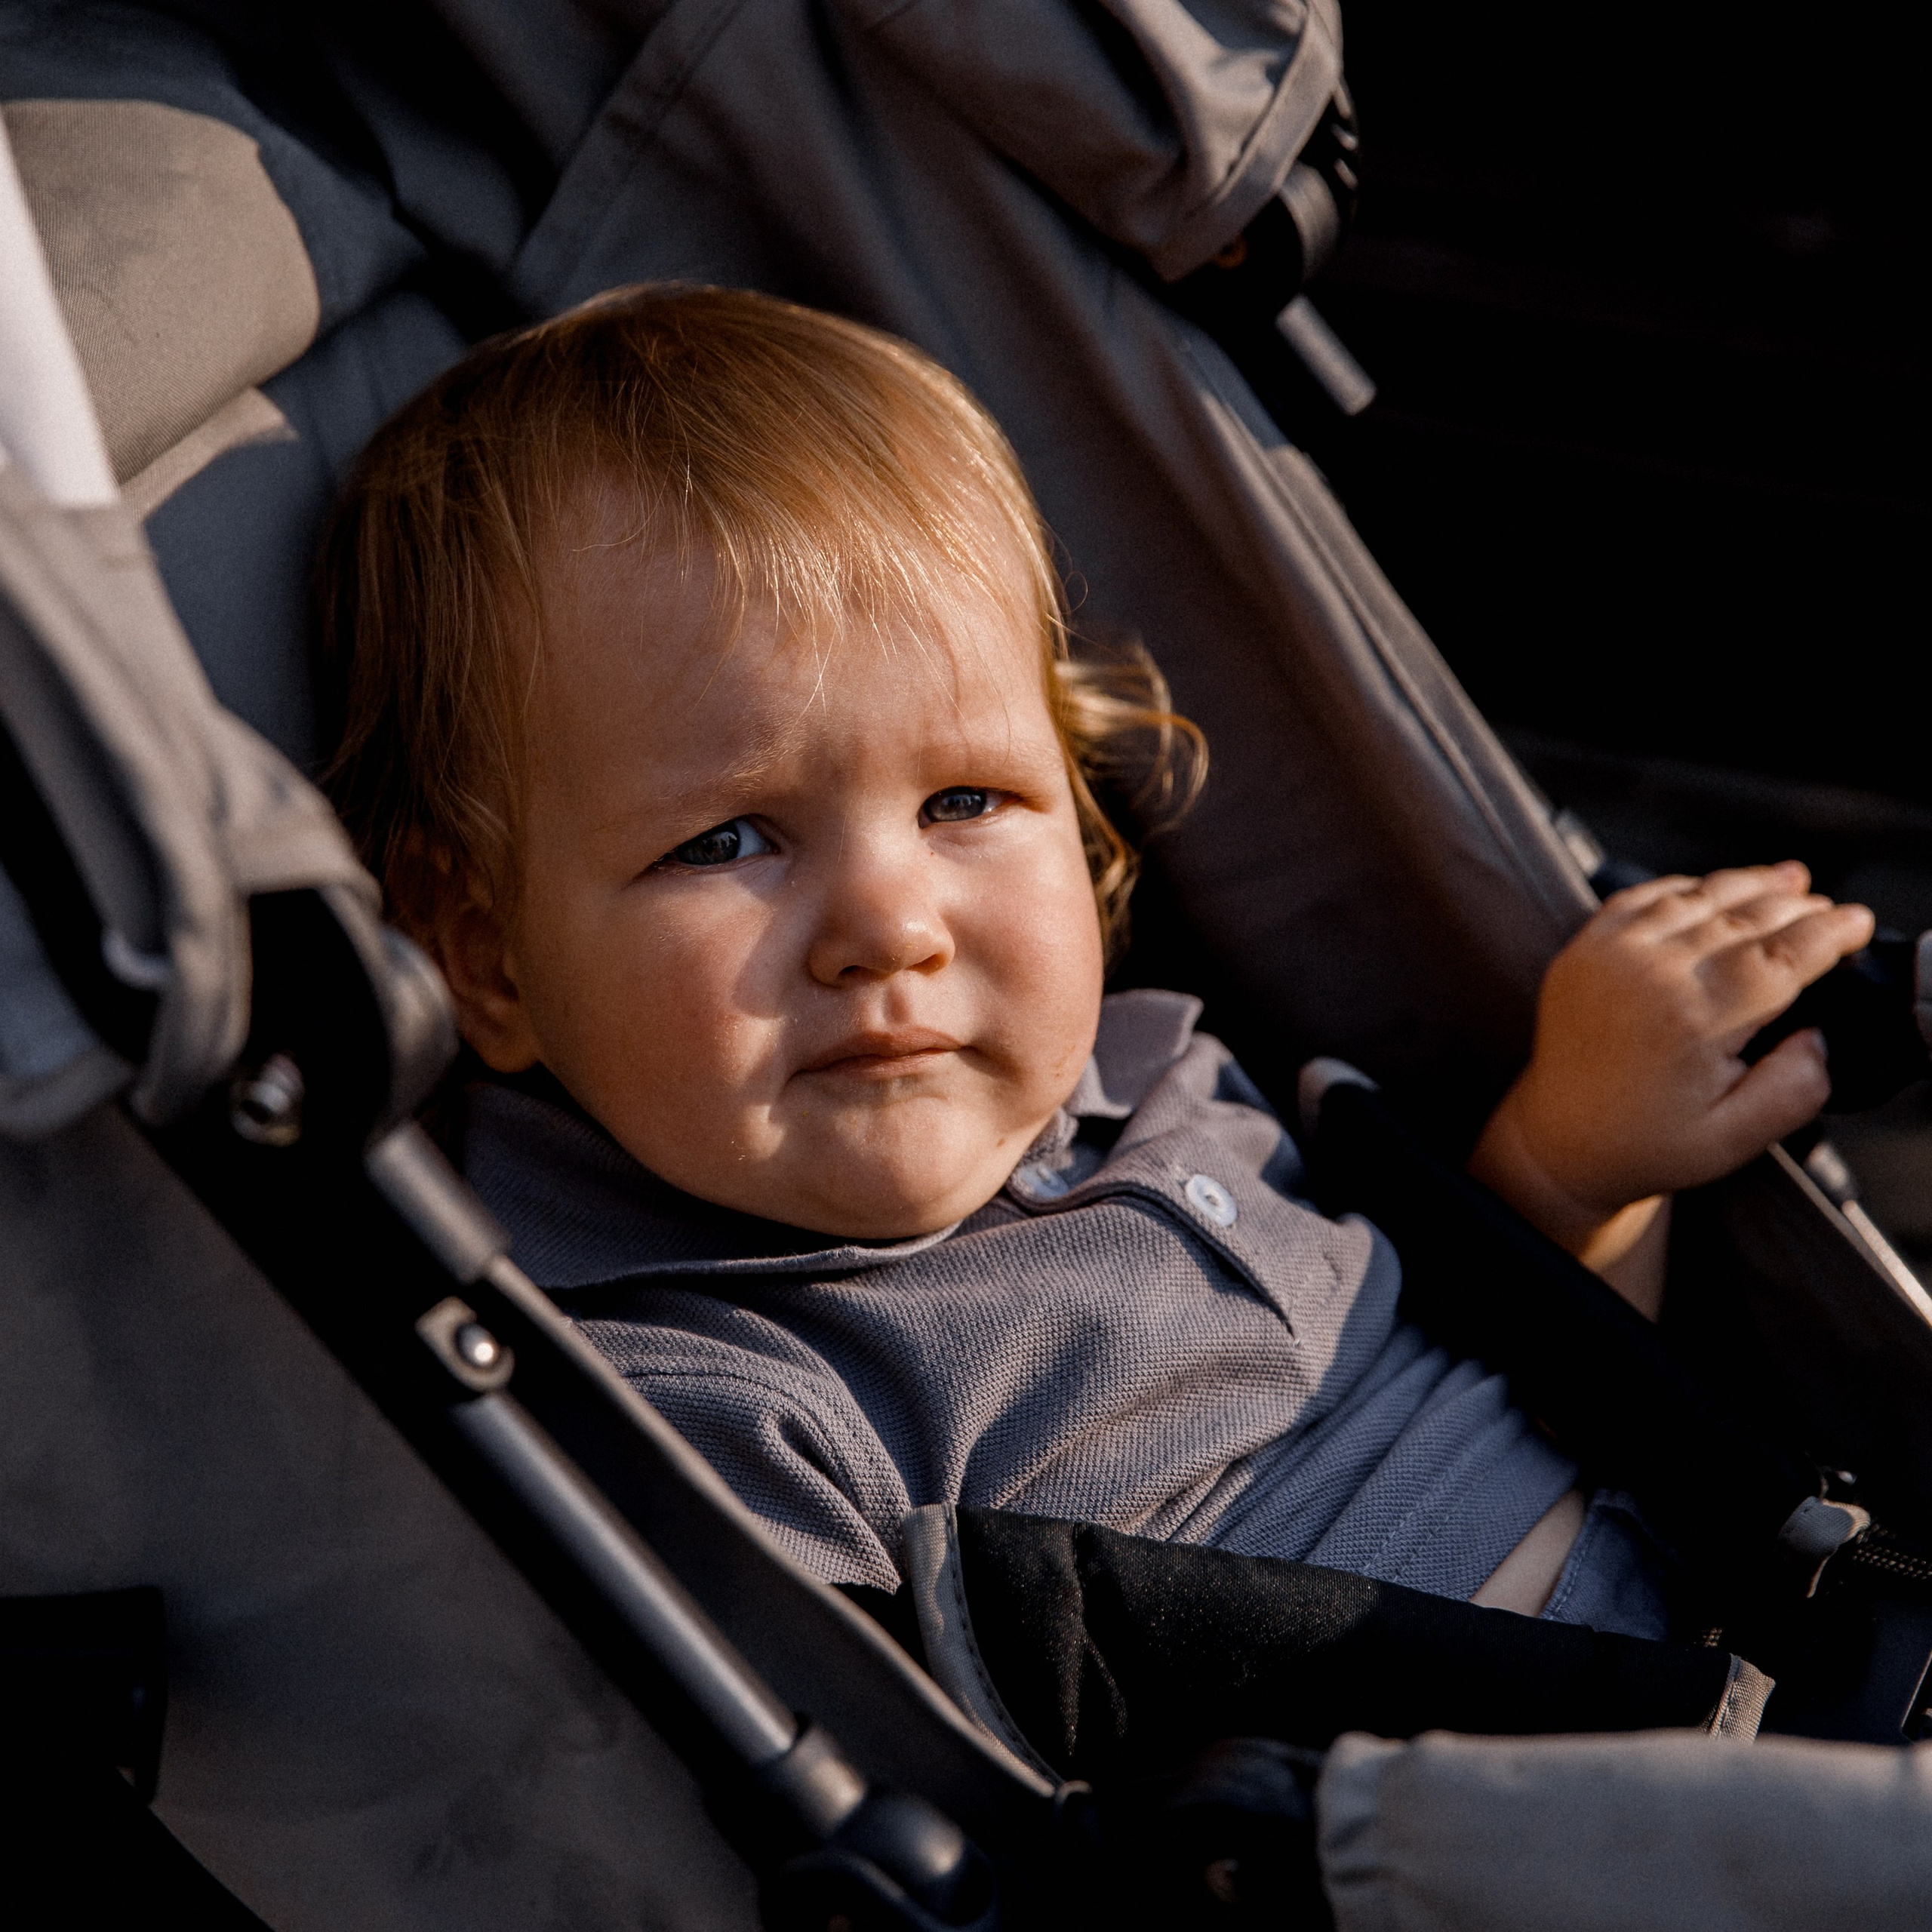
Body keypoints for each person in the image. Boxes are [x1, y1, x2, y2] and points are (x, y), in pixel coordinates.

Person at [319, 285, 1872, 1639]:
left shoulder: (1156, 1087)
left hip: (1761, 1599)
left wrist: (1577, 1162)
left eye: (963, 801)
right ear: (489, 958)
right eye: (727, 840)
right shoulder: (716, 1398)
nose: (891, 924)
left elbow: (1513, 1394)